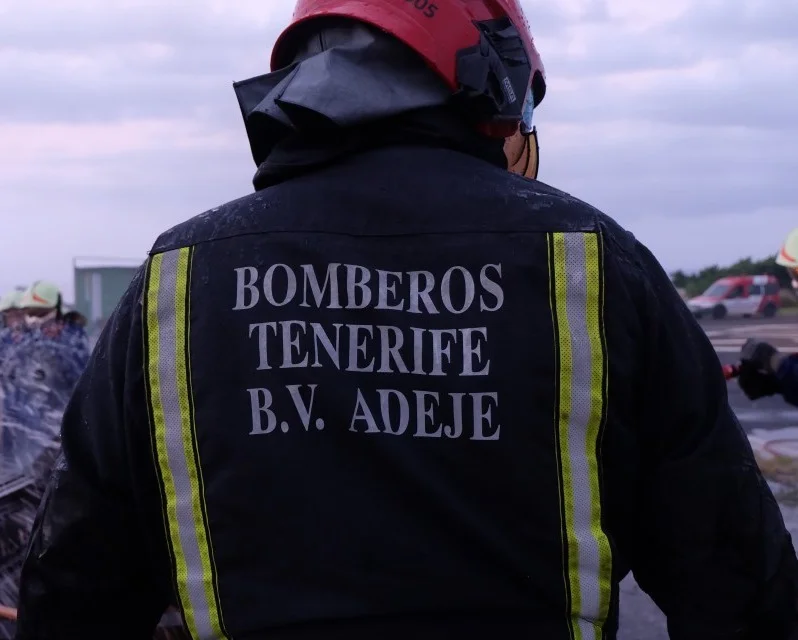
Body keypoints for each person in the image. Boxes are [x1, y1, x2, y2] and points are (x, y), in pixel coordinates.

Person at [14, 2, 798, 638]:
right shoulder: (597, 264)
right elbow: (738, 581)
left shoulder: (176, 278)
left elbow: (73, 587)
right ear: (485, 75)